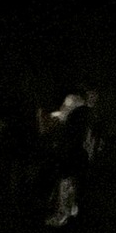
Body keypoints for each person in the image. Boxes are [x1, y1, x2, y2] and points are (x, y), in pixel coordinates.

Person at [42, 88, 98, 225]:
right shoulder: (86, 113)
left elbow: (74, 133)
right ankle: (70, 212)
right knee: (71, 183)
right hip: (78, 153)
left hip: (73, 152)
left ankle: (64, 214)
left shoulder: (80, 112)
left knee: (67, 182)